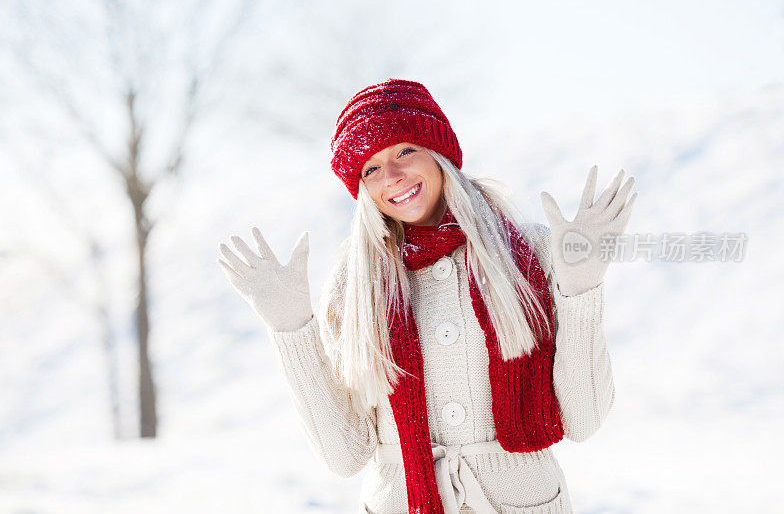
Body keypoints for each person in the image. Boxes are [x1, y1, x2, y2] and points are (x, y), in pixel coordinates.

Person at [217, 78, 637, 514]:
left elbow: (583, 419)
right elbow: (345, 455)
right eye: (371, 169)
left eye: (404, 151)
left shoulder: (530, 256)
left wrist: (583, 285)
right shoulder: (355, 285)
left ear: (438, 154)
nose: (392, 177)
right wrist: (291, 329)